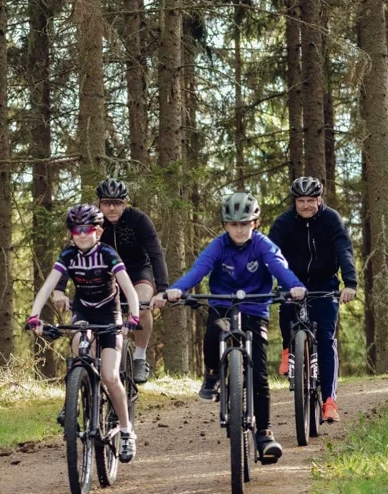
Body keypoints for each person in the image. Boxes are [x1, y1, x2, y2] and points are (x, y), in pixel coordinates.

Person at [152, 192, 306, 460]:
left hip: (255, 308)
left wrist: (294, 286)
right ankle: (213, 374)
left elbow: (279, 267)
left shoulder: (263, 245)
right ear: (225, 225)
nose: (239, 229)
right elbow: (199, 269)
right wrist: (177, 289)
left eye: (244, 224)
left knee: (259, 374)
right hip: (223, 305)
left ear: (254, 223)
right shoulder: (219, 246)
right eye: (234, 224)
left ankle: (264, 434)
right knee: (214, 333)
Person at [27, 204, 143, 463]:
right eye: (76, 229)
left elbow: (128, 288)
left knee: (110, 376)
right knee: (79, 351)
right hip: (83, 311)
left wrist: (133, 317)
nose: (81, 234)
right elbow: (48, 286)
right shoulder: (68, 255)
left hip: (109, 314)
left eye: (87, 229)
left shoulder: (108, 254)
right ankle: (75, 398)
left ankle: (126, 431)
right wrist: (34, 316)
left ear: (98, 232)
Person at [53, 178, 168, 384]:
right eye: (107, 203)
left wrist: (162, 289)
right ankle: (91, 367)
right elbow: (70, 254)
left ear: (126, 203)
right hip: (104, 275)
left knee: (142, 305)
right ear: (99, 203)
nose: (112, 208)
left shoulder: (139, 220)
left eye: (117, 203)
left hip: (136, 272)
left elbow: (156, 254)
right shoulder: (91, 221)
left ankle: (139, 357)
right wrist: (59, 289)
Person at [268, 177, 357, 423]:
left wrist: (350, 283)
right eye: (301, 201)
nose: (306, 205)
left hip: (324, 283)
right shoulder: (283, 223)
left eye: (310, 200)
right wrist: (263, 284)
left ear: (319, 199)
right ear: (294, 202)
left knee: (326, 339)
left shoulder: (331, 220)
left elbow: (344, 250)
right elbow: (269, 253)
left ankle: (329, 401)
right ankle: (288, 350)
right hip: (292, 281)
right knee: (286, 312)